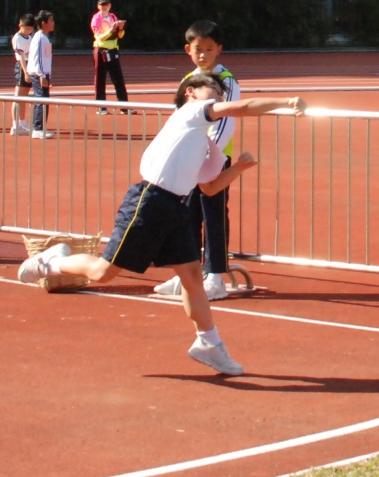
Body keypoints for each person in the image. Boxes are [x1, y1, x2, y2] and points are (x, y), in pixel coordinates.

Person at [18, 76, 304, 375]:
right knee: (104, 273)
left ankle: (209, 343)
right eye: (214, 91)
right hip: (149, 201)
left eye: (222, 94)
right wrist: (287, 102)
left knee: (192, 278)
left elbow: (209, 188)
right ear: (191, 92)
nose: (219, 97)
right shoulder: (190, 112)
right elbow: (243, 107)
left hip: (177, 208)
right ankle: (50, 262)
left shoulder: (203, 142)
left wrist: (239, 168)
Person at [154, 21, 240, 302]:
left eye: (209, 49)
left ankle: (215, 276)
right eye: (198, 49)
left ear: (219, 50)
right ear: (188, 50)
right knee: (187, 214)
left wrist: (211, 156)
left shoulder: (226, 81)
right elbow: (179, 118)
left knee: (214, 215)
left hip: (214, 160)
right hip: (189, 158)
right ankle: (187, 273)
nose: (203, 54)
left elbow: (225, 120)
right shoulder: (189, 80)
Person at [91, 0, 128, 108]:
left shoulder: (113, 17)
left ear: (110, 5)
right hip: (101, 50)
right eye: (102, 4)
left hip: (113, 50)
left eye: (106, 4)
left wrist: (120, 29)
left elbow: (120, 36)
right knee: (100, 79)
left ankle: (124, 106)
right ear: (98, 6)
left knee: (118, 78)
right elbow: (99, 37)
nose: (104, 6)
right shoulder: (96, 19)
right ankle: (101, 106)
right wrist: (111, 31)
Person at [9, 13, 38, 136]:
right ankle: (15, 125)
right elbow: (21, 56)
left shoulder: (30, 37)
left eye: (30, 29)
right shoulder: (17, 38)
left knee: (24, 97)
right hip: (22, 66)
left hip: (29, 65)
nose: (28, 31)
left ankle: (22, 122)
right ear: (20, 25)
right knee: (18, 96)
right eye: (26, 28)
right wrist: (25, 72)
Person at [28, 10, 56, 137]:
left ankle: (40, 127)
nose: (53, 23)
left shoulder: (44, 37)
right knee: (41, 99)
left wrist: (47, 74)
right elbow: (38, 57)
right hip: (39, 73)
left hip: (43, 73)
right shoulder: (40, 37)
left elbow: (46, 58)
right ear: (44, 23)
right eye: (51, 20)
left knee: (43, 99)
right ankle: (37, 129)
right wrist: (42, 75)